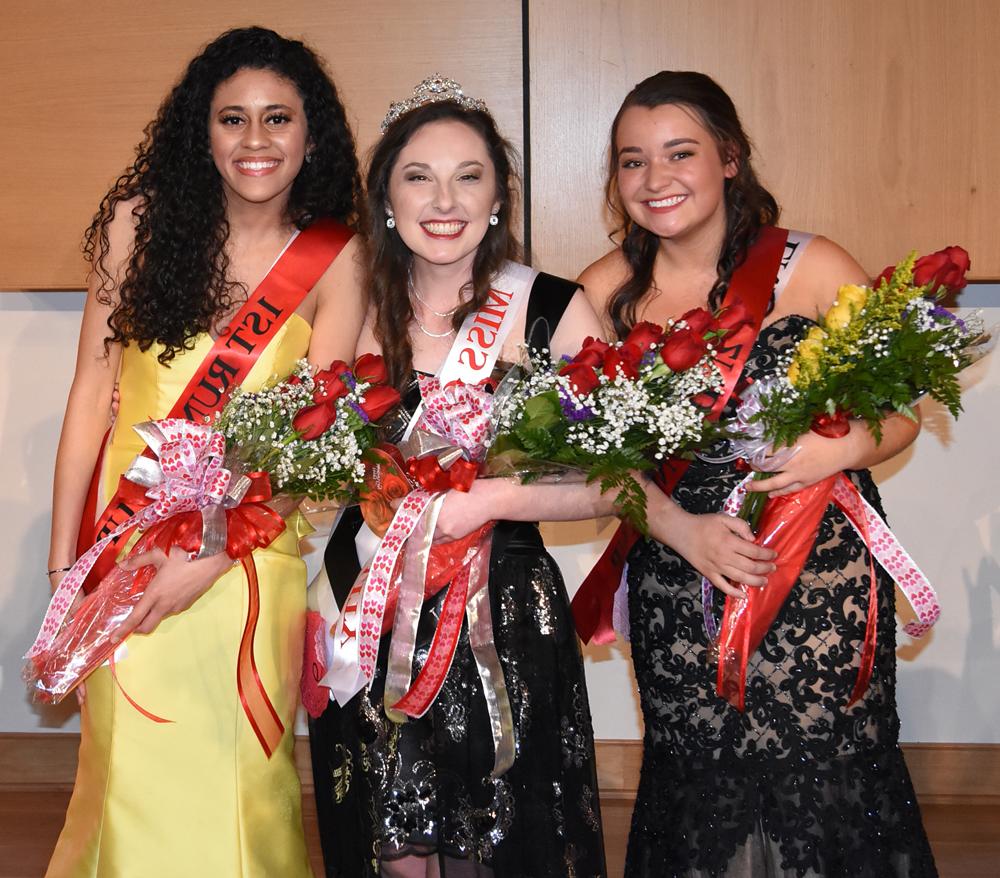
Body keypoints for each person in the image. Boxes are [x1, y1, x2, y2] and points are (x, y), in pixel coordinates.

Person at [579, 71, 938, 876]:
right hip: (683, 573)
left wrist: (836, 450)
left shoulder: (812, 266)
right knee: (702, 784)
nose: (655, 179)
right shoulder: (602, 295)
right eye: (632, 162)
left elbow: (906, 407)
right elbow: (591, 463)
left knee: (826, 777)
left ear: (730, 159)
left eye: (680, 153)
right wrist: (680, 530)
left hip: (819, 574)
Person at [44, 27, 364, 877]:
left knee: (235, 782)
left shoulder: (336, 257)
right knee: (124, 776)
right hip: (126, 546)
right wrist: (62, 566)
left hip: (248, 563)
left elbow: (317, 445)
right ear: (203, 131)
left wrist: (215, 555)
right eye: (232, 119)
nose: (255, 141)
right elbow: (90, 396)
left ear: (310, 134)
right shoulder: (134, 227)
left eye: (277, 119)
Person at [309, 78, 609, 877]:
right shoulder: (353, 311)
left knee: (497, 844)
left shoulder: (552, 307)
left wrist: (497, 499)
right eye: (418, 176)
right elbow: (316, 470)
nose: (444, 199)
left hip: (505, 614)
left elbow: (619, 481)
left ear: (499, 196)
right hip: (371, 603)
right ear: (386, 198)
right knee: (395, 846)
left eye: (468, 176)